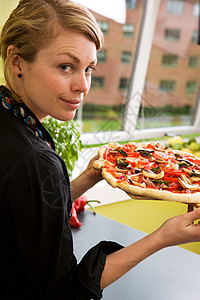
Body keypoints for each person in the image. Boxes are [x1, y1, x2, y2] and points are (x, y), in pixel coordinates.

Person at [0, 0, 200, 299]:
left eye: (89, 68)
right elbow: (65, 292)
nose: (83, 85)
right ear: (17, 63)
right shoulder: (36, 161)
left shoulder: (12, 124)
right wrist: (162, 237)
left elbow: (26, 214)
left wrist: (91, 176)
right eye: (66, 66)